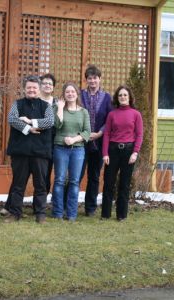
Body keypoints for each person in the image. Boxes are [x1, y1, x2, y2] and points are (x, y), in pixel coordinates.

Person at [3, 75, 54, 224]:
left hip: (40, 153)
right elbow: (12, 119)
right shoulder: (17, 104)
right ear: (24, 89)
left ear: (39, 90)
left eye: (34, 88)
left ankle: (40, 214)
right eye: (29, 88)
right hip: (20, 152)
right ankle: (14, 213)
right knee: (18, 185)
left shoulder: (46, 106)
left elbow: (50, 121)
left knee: (41, 185)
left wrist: (31, 121)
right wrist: (28, 129)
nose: (32, 90)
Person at [101, 85, 143, 221]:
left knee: (124, 184)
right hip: (112, 151)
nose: (123, 97)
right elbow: (106, 134)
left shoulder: (136, 114)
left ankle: (122, 215)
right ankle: (106, 214)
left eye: (125, 95)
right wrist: (105, 154)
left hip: (128, 152)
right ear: (117, 98)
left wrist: (135, 152)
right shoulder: (112, 114)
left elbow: (139, 135)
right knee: (108, 183)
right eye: (120, 95)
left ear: (130, 97)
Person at [52, 82, 91, 221]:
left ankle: (72, 214)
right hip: (60, 149)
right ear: (64, 94)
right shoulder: (57, 108)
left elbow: (87, 132)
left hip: (78, 150)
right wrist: (60, 109)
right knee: (60, 180)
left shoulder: (83, 112)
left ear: (76, 94)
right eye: (67, 92)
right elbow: (57, 125)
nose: (70, 94)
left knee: (74, 181)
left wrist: (74, 139)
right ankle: (57, 213)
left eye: (72, 91)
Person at [79, 65, 113, 216]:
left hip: (99, 143)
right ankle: (69, 205)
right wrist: (83, 134)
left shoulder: (107, 98)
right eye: (89, 78)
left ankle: (90, 208)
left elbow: (110, 119)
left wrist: (100, 133)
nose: (92, 80)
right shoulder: (79, 95)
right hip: (80, 142)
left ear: (100, 79)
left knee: (94, 176)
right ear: (86, 79)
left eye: (95, 77)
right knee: (76, 175)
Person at [39, 73, 58, 194]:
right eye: (45, 83)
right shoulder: (35, 101)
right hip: (37, 140)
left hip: (52, 142)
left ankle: (43, 200)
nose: (47, 86)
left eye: (50, 84)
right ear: (40, 86)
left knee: (47, 171)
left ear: (53, 87)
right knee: (39, 173)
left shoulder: (57, 103)